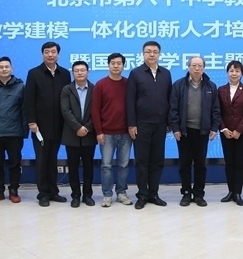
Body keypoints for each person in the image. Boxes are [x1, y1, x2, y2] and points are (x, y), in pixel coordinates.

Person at [169, 56, 221, 207]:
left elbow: (216, 109)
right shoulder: (179, 85)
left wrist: (214, 127)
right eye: (194, 65)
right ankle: (186, 193)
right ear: (188, 67)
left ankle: (198, 194)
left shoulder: (211, 86)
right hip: (184, 132)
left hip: (202, 131)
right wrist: (175, 128)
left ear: (204, 68)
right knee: (184, 164)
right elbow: (173, 109)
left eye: (200, 66)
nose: (197, 68)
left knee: (200, 164)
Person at [24, 42, 71, 207]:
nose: (50, 55)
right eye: (47, 52)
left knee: (53, 159)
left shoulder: (64, 74)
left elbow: (67, 99)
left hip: (59, 125)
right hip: (39, 126)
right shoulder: (34, 73)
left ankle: (53, 192)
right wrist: (31, 121)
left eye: (53, 52)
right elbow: (29, 99)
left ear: (58, 54)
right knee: (42, 160)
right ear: (42, 54)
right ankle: (43, 194)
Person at [126, 40, 172, 209]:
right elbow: (130, 100)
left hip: (160, 125)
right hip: (141, 124)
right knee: (142, 161)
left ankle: (154, 193)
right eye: (148, 51)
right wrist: (132, 124)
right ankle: (142, 195)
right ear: (143, 54)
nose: (151, 54)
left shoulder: (166, 73)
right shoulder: (136, 73)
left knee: (157, 161)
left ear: (159, 54)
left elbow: (169, 99)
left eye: (155, 52)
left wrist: (169, 122)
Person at [91, 53, 133, 207]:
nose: (116, 66)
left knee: (123, 165)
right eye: (113, 63)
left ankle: (121, 193)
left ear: (123, 65)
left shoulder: (129, 84)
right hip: (106, 133)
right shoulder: (100, 84)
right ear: (108, 65)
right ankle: (107, 195)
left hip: (126, 133)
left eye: (119, 63)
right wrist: (99, 131)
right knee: (106, 165)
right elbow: (95, 110)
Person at [0, 57, 27, 204]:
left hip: (14, 133)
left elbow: (24, 111)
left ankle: (13, 190)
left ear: (12, 69)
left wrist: (24, 132)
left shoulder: (20, 87)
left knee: (14, 164)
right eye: (1, 67)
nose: (4, 69)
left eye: (7, 67)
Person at [61, 61, 97, 208]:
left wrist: (87, 127)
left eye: (83, 70)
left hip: (89, 134)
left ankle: (87, 195)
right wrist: (77, 127)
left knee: (88, 167)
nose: (80, 73)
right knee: (73, 167)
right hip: (72, 134)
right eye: (77, 70)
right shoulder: (66, 89)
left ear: (88, 72)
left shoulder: (95, 89)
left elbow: (97, 111)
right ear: (73, 73)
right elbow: (65, 111)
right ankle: (75, 195)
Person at [217, 60, 243, 206]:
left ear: (242, 74)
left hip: (242, 133)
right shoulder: (221, 90)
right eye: (231, 70)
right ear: (227, 73)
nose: (234, 73)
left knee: (239, 162)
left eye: (237, 71)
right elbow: (217, 111)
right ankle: (230, 191)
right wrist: (224, 129)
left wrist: (238, 130)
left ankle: (238, 192)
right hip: (225, 132)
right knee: (229, 162)